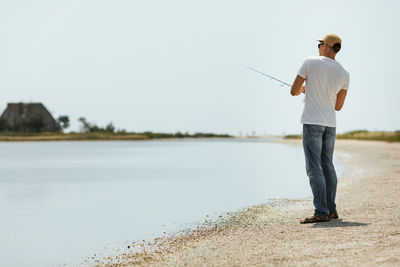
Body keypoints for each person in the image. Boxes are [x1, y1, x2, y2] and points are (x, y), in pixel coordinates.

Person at [290, 33, 350, 224]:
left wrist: (303, 89)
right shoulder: (344, 73)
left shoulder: (310, 62)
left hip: (312, 123)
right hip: (330, 125)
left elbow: (293, 90)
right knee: (328, 166)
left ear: (326, 46)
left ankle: (321, 211)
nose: (318, 47)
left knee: (314, 168)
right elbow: (337, 106)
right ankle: (331, 210)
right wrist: (311, 90)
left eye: (320, 44)